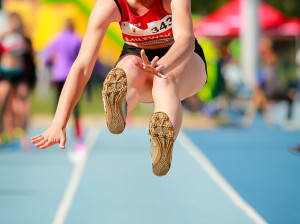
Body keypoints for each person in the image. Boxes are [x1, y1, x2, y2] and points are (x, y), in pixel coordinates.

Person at [31, 0, 207, 176]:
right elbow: (82, 66)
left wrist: (163, 65)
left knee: (164, 81)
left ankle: (162, 141)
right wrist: (58, 123)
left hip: (181, 58)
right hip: (137, 55)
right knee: (128, 68)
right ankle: (119, 107)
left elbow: (186, 40)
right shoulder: (109, 5)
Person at [44, 19, 83, 145]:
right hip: (71, 74)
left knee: (58, 102)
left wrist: (47, 63)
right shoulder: (77, 38)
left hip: (59, 74)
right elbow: (81, 56)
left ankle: (56, 128)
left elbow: (48, 53)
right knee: (75, 103)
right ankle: (77, 131)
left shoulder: (58, 38)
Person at [0, 12, 36, 147]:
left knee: (22, 104)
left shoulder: (24, 39)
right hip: (5, 72)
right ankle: (6, 134)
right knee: (5, 103)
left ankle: (24, 136)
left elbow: (31, 60)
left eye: (17, 22)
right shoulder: (4, 37)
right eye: (12, 22)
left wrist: (32, 80)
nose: (15, 25)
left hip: (21, 74)